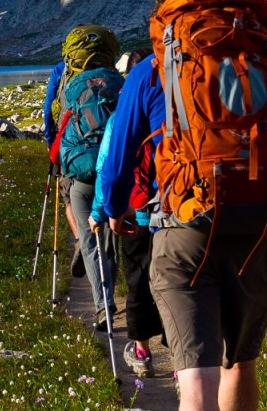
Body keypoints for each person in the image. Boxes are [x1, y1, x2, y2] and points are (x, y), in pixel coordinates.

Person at [99, 0, 267, 411]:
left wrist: (114, 209)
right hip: (257, 225)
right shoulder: (264, 66)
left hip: (185, 229)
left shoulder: (154, 69)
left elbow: (118, 159)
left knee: (196, 381)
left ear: (169, 16)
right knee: (240, 364)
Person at [89, 47, 164, 377]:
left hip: (134, 214)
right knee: (171, 285)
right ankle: (179, 355)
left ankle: (142, 351)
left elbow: (108, 166)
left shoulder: (121, 117)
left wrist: (103, 212)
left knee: (138, 282)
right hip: (171, 213)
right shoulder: (170, 108)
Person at [56, 25, 123, 331]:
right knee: (110, 241)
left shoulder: (70, 86)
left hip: (81, 173)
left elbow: (57, 125)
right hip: (114, 173)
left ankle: (102, 306)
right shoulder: (120, 84)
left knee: (88, 239)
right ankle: (111, 295)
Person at [44, 60, 85, 277]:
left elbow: (49, 107)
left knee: (69, 196)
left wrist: (51, 141)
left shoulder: (61, 69)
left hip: (70, 143)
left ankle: (81, 239)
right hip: (103, 140)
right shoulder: (107, 67)